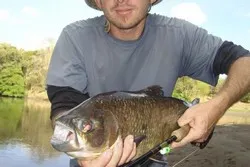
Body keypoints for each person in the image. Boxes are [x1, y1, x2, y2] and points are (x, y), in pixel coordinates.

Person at [46, 0, 250, 166]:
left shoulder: (179, 34)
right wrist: (85, 155)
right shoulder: (74, 37)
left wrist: (216, 107)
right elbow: (65, 107)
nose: (121, 0)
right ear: (98, 2)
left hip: (154, 158)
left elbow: (245, 62)